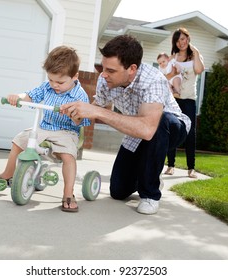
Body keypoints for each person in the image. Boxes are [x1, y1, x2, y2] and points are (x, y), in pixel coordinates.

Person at [60, 35, 191, 215]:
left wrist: (98, 112)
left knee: (161, 121)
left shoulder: (154, 80)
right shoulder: (105, 80)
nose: (104, 74)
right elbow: (95, 109)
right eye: (103, 68)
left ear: (132, 69)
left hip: (171, 127)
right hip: (136, 130)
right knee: (118, 191)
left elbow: (147, 129)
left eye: (111, 70)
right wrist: (77, 114)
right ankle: (150, 172)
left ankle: (151, 195)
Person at [0, 45, 91, 212]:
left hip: (67, 132)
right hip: (44, 127)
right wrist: (16, 97)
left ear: (75, 76)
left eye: (60, 82)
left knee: (68, 156)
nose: (54, 85)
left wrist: (72, 114)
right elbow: (29, 95)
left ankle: (68, 193)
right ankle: (7, 174)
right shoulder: (46, 87)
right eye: (51, 80)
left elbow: (80, 121)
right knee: (19, 141)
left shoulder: (79, 95)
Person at [164, 27, 205, 179]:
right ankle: (170, 165)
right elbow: (166, 77)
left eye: (183, 38)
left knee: (190, 134)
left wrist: (195, 51)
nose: (181, 42)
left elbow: (200, 70)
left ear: (188, 38)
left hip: (189, 100)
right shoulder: (172, 58)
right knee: (172, 130)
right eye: (178, 40)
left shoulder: (195, 56)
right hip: (174, 99)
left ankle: (191, 168)